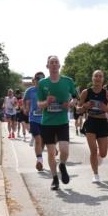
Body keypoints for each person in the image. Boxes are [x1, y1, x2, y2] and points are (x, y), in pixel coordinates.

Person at [37, 56, 78, 190]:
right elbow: (39, 104)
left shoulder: (68, 81)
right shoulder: (42, 83)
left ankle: (62, 165)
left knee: (64, 150)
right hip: (47, 123)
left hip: (62, 122)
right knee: (51, 153)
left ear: (59, 66)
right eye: (51, 63)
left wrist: (70, 104)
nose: (54, 65)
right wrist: (46, 102)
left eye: (56, 62)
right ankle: (55, 179)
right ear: (47, 66)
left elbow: (75, 98)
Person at [78, 70, 108, 184]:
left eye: (100, 76)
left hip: (102, 123)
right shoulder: (86, 92)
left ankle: (98, 158)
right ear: (92, 78)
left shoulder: (107, 94)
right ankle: (95, 174)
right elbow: (78, 109)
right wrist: (85, 106)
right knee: (93, 150)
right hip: (91, 122)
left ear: (103, 79)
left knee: (103, 153)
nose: (98, 78)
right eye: (96, 76)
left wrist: (105, 108)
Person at [23, 73, 45, 170]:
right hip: (33, 118)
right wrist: (25, 108)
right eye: (38, 78)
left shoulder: (47, 90)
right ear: (34, 80)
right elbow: (24, 100)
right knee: (38, 139)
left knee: (43, 141)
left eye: (42, 78)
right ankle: (39, 160)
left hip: (46, 119)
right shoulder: (30, 90)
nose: (40, 80)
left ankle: (40, 157)